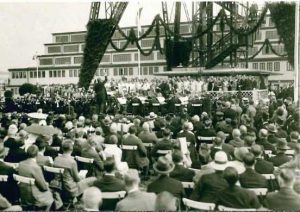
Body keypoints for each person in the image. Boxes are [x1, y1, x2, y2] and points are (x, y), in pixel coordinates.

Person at [18, 145, 54, 210]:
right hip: (34, 196)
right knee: (50, 197)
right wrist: (47, 185)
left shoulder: (21, 163)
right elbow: (43, 187)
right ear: (37, 154)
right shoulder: (36, 167)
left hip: (23, 194)